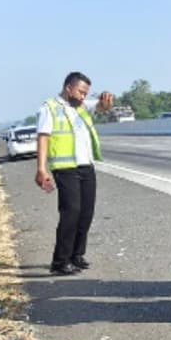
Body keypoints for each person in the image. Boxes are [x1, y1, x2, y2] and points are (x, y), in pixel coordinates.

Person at [35, 72, 114, 275]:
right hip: (65, 168)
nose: (82, 96)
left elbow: (101, 108)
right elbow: (43, 138)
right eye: (80, 92)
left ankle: (76, 255)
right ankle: (60, 261)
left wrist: (106, 101)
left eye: (86, 93)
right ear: (68, 88)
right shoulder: (49, 108)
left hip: (86, 166)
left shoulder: (81, 107)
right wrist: (41, 169)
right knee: (71, 213)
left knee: (86, 213)